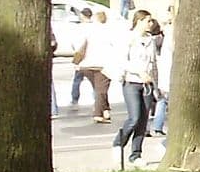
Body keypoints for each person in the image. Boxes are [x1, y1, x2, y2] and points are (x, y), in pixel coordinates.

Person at [114, 12, 162, 164]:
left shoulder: (150, 40)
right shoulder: (129, 38)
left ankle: (136, 154)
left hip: (147, 84)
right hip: (132, 81)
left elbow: (154, 63)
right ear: (139, 21)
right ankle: (118, 143)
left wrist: (156, 84)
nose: (151, 23)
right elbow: (122, 60)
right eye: (148, 21)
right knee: (134, 117)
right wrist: (139, 72)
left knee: (143, 120)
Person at [74, 10, 121, 124]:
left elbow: (77, 44)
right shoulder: (108, 31)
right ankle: (98, 113)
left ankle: (105, 110)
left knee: (98, 89)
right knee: (102, 90)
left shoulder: (87, 29)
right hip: (102, 65)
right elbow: (115, 48)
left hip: (86, 65)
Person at [149, 16, 173, 136]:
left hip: (162, 73)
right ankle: (158, 127)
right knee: (164, 101)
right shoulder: (168, 38)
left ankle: (157, 126)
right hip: (167, 74)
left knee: (162, 101)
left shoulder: (160, 39)